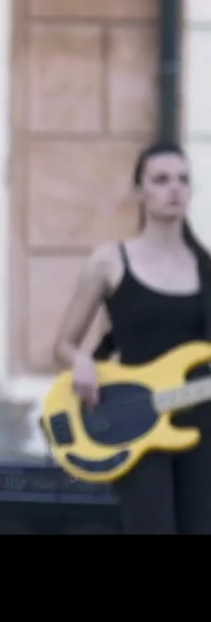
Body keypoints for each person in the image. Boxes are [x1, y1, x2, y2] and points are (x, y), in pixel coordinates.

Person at [53, 140, 211, 534]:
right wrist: (81, 362)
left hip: (202, 421)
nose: (174, 188)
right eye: (161, 179)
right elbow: (62, 345)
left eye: (183, 179)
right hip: (137, 421)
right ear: (139, 191)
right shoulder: (110, 261)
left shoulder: (206, 267)